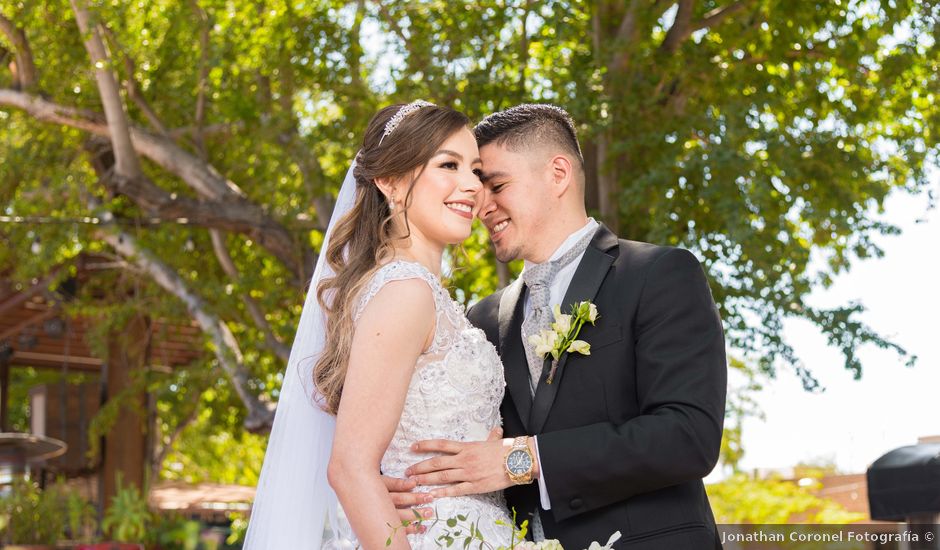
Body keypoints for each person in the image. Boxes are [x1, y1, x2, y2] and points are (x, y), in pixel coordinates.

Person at [392, 104, 728, 549]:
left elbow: (688, 436)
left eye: (496, 184)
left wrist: (521, 458)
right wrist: (396, 487)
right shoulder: (482, 321)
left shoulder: (657, 274)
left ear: (558, 173)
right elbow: (460, 450)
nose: (480, 204)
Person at [243, 101, 516, 549]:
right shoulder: (405, 292)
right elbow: (349, 467)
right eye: (449, 165)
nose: (472, 185)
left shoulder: (422, 294)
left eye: (477, 170)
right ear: (389, 181)